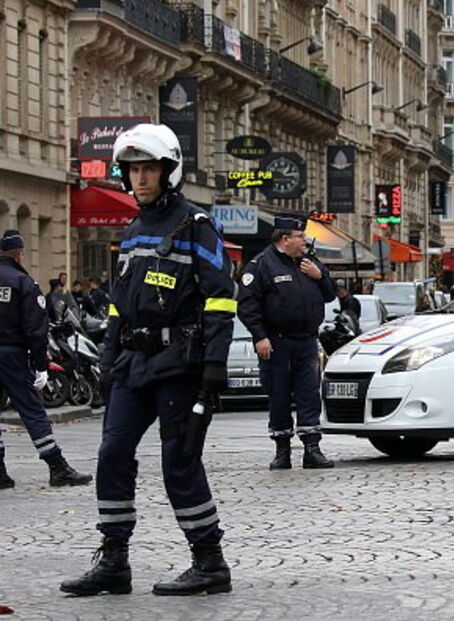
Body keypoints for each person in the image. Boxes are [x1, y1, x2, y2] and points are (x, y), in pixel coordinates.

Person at [61, 124, 237, 597]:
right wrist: (108, 356)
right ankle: (114, 560)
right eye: (133, 170)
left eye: (148, 169)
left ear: (168, 171)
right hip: (132, 366)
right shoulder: (135, 228)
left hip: (178, 363)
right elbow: (120, 301)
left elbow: (221, 296)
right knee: (112, 454)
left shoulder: (196, 224)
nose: (140, 179)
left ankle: (209, 561)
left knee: (179, 462)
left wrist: (214, 366)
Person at [237, 215, 337, 471]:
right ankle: (282, 451)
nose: (304, 241)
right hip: (276, 343)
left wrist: (319, 276)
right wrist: (260, 336)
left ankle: (312, 449)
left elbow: (330, 293)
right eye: (300, 237)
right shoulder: (260, 266)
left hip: (306, 341)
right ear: (285, 239)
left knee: (309, 395)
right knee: (279, 396)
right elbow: (248, 306)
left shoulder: (308, 262)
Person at [0, 230, 93, 490]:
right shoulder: (23, 282)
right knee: (32, 411)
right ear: (19, 254)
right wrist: (40, 366)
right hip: (12, 355)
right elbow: (36, 330)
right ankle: (57, 467)